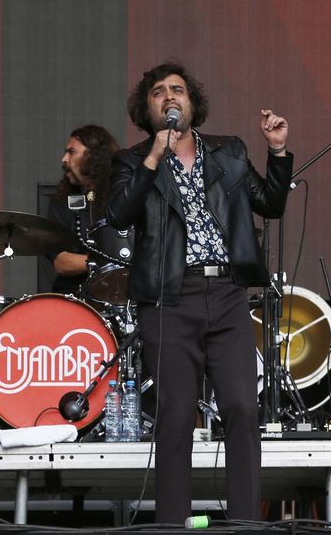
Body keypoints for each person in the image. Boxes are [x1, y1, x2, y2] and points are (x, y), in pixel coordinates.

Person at [105, 62, 293, 523]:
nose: (170, 97)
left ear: (193, 103)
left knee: (241, 408)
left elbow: (270, 203)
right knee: (175, 416)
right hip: (170, 298)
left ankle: (246, 522)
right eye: (158, 93)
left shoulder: (227, 152)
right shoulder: (132, 160)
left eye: (178, 90)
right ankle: (172, 523)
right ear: (146, 109)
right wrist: (154, 156)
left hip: (227, 292)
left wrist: (278, 151)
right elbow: (118, 215)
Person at [46, 125, 119, 295]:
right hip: (74, 297)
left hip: (117, 294)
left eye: (71, 152)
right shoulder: (61, 201)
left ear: (93, 156)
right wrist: (108, 261)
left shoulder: (121, 196)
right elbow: (61, 263)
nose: (64, 159)